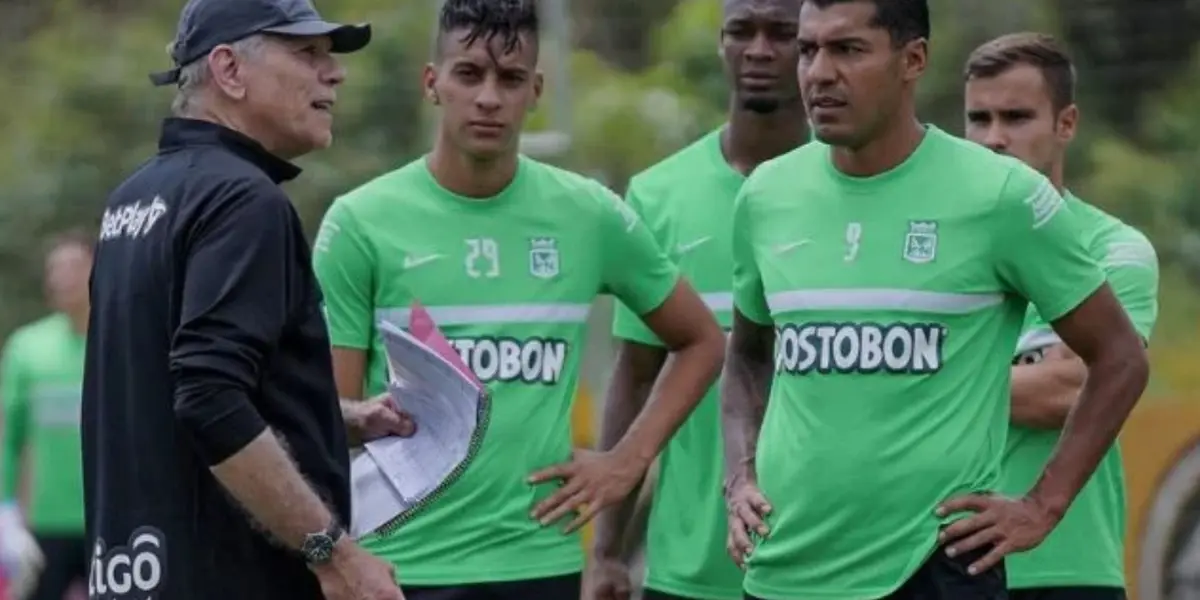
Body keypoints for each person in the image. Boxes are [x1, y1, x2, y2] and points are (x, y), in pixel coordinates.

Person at [720, 0, 1151, 598]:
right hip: (784, 569)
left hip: (936, 570)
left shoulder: (999, 195)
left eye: (848, 50)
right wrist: (739, 478)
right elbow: (745, 357)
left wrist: (1043, 505)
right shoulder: (766, 195)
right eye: (810, 48)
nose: (818, 72)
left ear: (912, 60)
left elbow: (1120, 358)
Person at [311, 0, 727, 598]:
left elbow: (702, 340)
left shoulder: (589, 215)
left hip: (537, 565)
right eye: (469, 73)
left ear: (536, 91)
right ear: (433, 83)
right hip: (399, 568)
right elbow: (333, 418)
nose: (488, 97)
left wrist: (627, 460)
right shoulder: (360, 223)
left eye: (509, 80)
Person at [82, 0, 411, 598]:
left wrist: (334, 420)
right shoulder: (243, 201)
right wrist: (333, 554)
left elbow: (171, 385)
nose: (332, 73)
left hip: (133, 573)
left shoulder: (132, 200)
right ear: (229, 70)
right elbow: (208, 396)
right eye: (306, 53)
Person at [589, 0, 807, 598]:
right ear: (720, 42)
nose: (759, 51)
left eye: (782, 34)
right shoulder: (659, 195)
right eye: (742, 31)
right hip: (691, 570)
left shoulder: (852, 187)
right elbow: (634, 377)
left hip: (827, 563)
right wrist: (606, 552)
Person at [964, 33, 1159, 600]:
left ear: (1066, 124)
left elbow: (1070, 389)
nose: (993, 139)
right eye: (978, 119)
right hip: (932, 564)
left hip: (1064, 566)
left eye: (1017, 117)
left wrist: (928, 377)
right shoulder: (922, 255)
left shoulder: (1112, 249)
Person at [1, 231, 94, 600]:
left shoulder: (119, 343)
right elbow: (8, 437)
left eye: (74, 266)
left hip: (110, 519)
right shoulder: (27, 347)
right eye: (54, 269)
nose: (62, 278)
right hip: (45, 525)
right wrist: (5, 511)